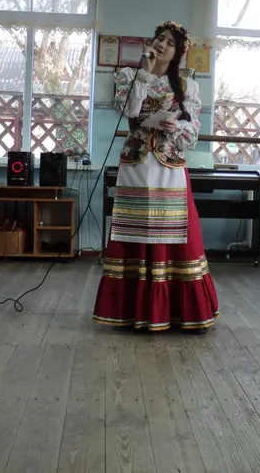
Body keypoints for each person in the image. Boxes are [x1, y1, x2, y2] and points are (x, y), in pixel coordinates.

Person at [93, 21, 219, 333]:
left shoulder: (188, 85)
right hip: (135, 165)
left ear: (178, 53)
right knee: (132, 234)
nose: (162, 45)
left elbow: (193, 134)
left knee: (177, 234)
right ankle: (129, 310)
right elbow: (128, 111)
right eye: (160, 39)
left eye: (170, 43)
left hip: (169, 166)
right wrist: (144, 74)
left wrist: (177, 127)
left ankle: (180, 311)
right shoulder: (128, 74)